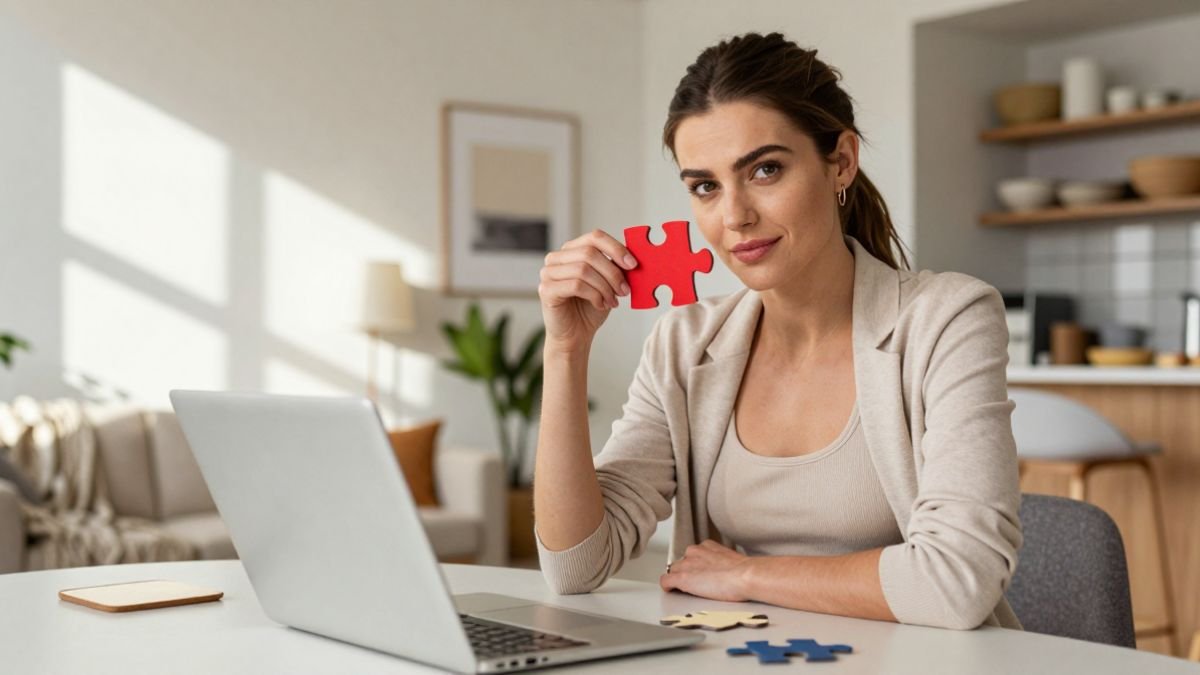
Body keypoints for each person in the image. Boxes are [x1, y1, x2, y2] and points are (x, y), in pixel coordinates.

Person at [532, 32, 1021, 631]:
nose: (734, 216)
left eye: (765, 170)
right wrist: (565, 349)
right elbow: (576, 565)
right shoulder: (685, 343)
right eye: (705, 186)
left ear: (840, 160)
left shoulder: (948, 319)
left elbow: (957, 582)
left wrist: (745, 575)